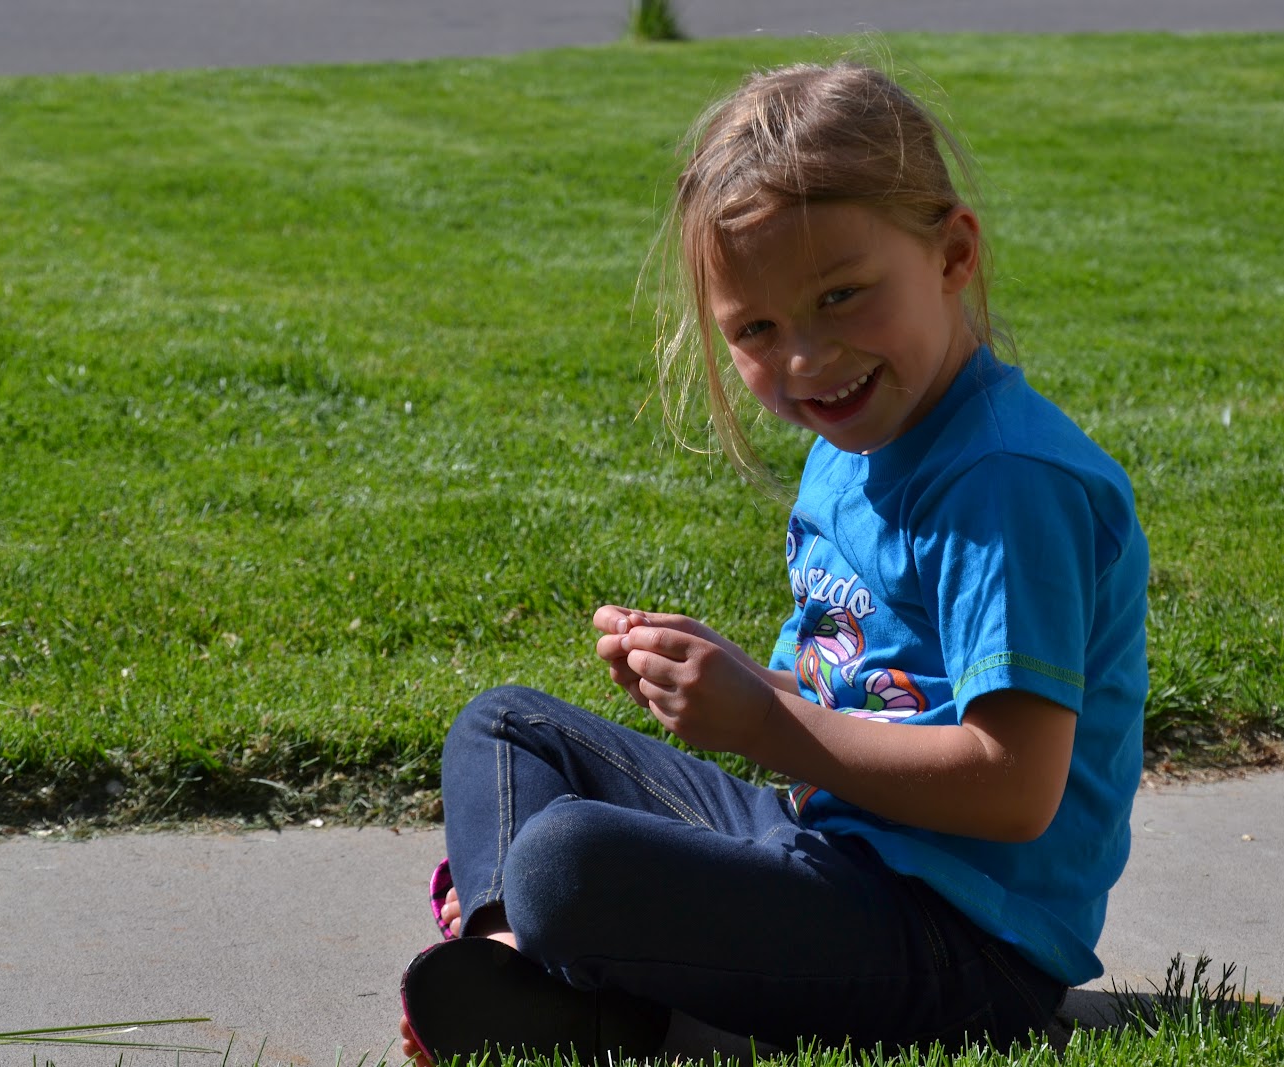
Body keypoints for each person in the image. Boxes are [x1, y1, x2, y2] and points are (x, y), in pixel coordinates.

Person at [398, 58, 1149, 1064]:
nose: (805, 360)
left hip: (963, 939)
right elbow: (842, 696)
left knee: (564, 860)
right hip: (832, 845)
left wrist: (761, 720)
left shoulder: (1005, 481)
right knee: (505, 726)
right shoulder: (852, 444)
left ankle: (552, 963)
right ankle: (510, 967)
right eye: (756, 328)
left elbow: (1014, 788)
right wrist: (734, 679)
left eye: (841, 295)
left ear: (952, 253)